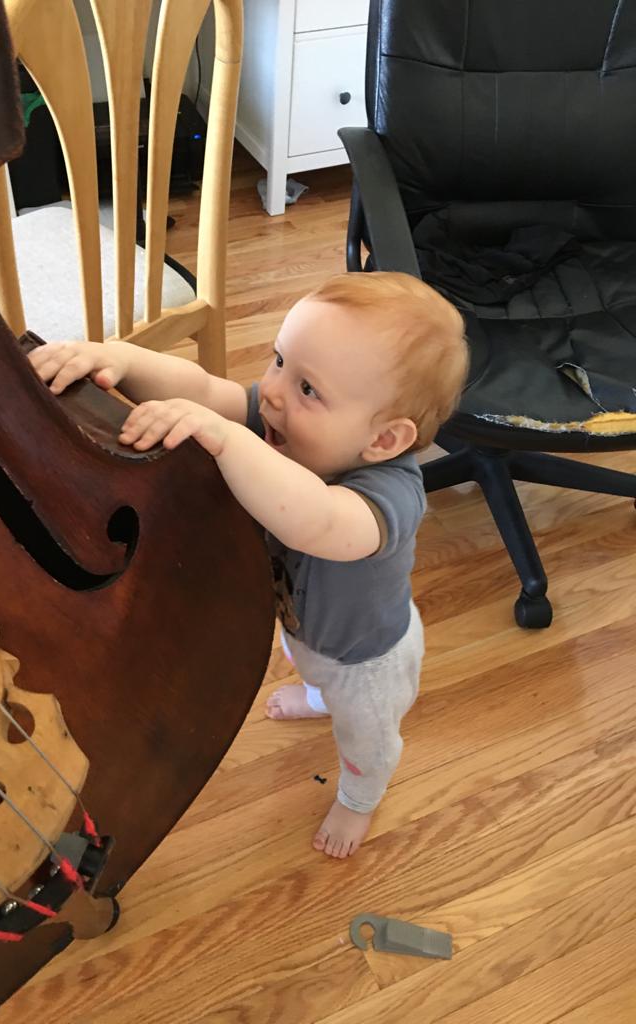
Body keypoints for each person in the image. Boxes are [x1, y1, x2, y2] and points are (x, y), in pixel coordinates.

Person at [28, 272, 468, 858]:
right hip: (303, 626)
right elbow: (209, 389)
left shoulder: (390, 496)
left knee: (365, 736)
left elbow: (313, 520)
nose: (276, 391)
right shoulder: (290, 422)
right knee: (306, 665)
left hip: (363, 660)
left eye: (309, 388)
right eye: (281, 360)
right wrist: (116, 359)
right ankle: (315, 696)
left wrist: (230, 442)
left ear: (385, 440)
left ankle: (361, 796)